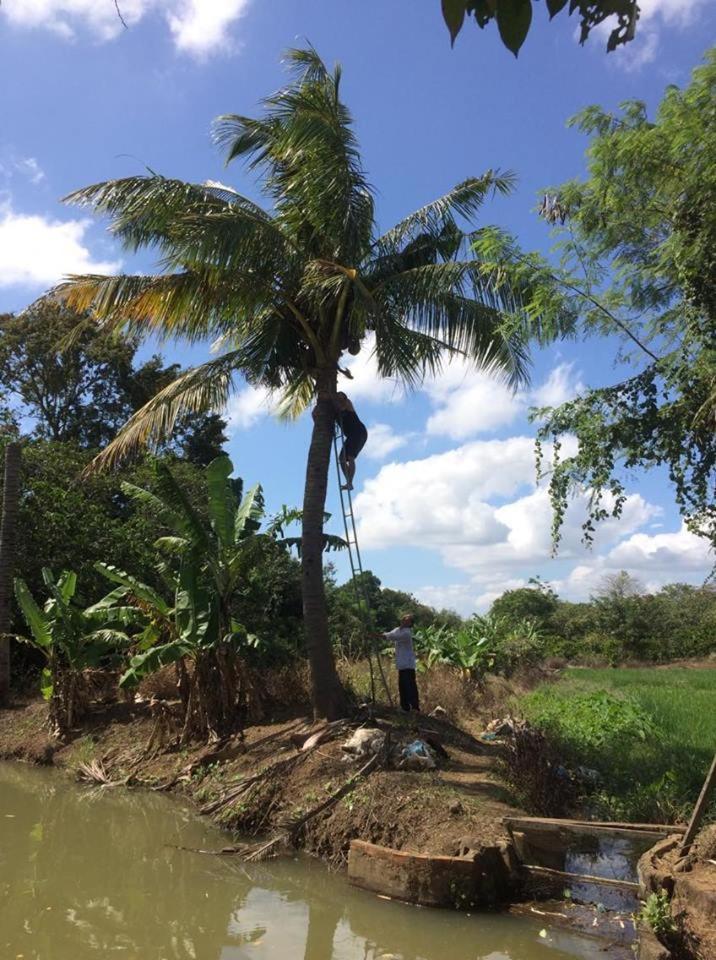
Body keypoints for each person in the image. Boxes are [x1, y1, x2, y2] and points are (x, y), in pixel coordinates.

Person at [383, 614, 419, 712]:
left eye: (407, 621)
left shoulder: (406, 633)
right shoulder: (398, 630)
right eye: (403, 619)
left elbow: (392, 637)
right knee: (402, 686)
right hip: (402, 665)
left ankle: (415, 707)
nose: (404, 621)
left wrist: (377, 635)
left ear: (410, 624)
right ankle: (405, 708)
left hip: (408, 665)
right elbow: (389, 634)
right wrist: (379, 634)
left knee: (409, 686)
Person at [333, 392, 368, 491]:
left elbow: (342, 406)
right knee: (341, 459)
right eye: (337, 397)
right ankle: (349, 482)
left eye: (341, 397)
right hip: (351, 436)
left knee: (350, 457)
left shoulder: (347, 403)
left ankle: (349, 483)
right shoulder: (336, 412)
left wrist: (334, 405)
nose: (339, 399)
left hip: (358, 432)